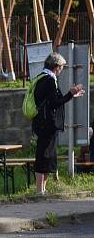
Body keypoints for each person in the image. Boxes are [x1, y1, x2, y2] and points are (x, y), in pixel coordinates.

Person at [32, 52, 84, 195]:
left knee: (48, 155)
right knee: (44, 155)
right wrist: (70, 94)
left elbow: (52, 100)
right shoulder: (49, 80)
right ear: (56, 66)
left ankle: (42, 189)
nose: (62, 70)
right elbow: (54, 103)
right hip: (46, 125)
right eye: (61, 67)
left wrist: (71, 95)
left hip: (42, 123)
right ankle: (39, 191)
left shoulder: (41, 77)